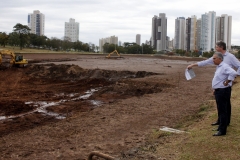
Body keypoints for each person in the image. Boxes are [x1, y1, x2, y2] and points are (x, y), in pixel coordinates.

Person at [187, 41, 240, 126]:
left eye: (216, 47)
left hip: (226, 85)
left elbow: (239, 66)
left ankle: (226, 122)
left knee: (226, 104)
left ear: (221, 47)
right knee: (220, 104)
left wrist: (233, 77)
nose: (215, 48)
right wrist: (193, 65)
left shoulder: (230, 57)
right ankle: (220, 121)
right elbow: (206, 62)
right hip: (219, 84)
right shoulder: (217, 57)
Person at [211, 52, 237, 136]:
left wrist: (228, 81)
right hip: (219, 90)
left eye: (214, 58)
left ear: (220, 59)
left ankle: (222, 131)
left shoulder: (225, 66)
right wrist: (215, 89)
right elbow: (219, 79)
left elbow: (233, 73)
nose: (213, 60)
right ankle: (220, 127)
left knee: (223, 111)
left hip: (223, 91)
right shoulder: (219, 67)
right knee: (220, 109)